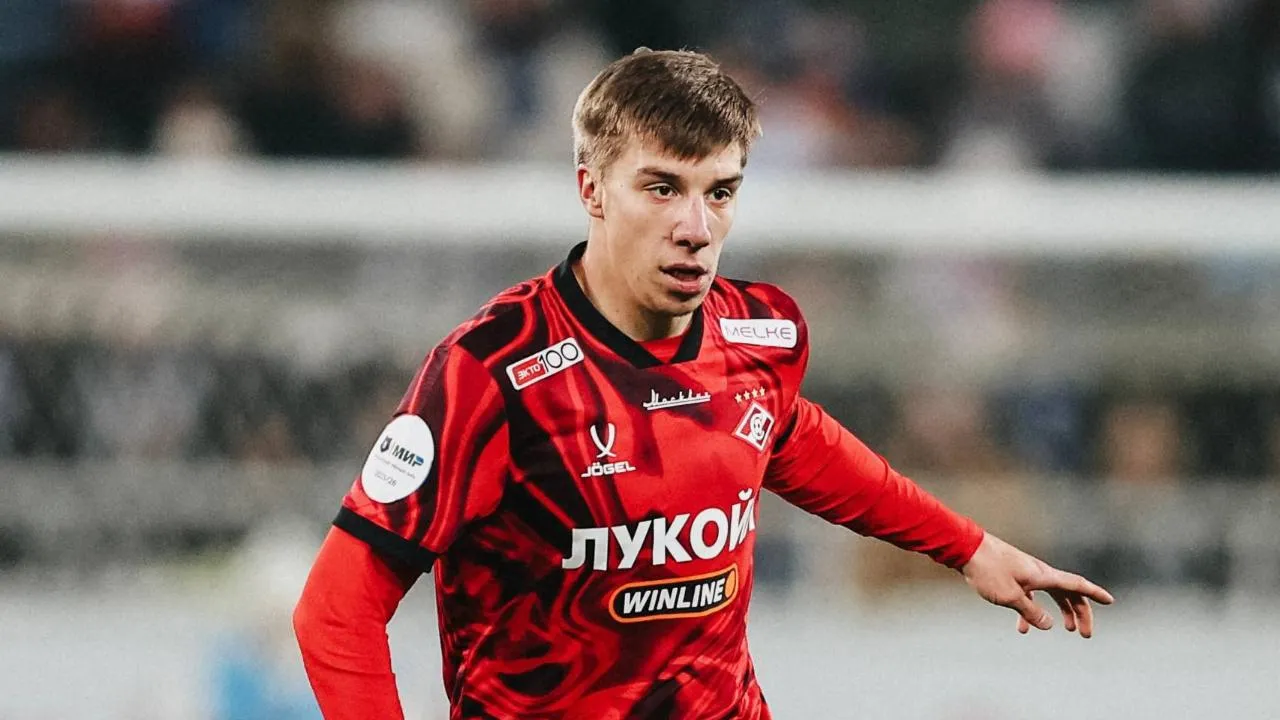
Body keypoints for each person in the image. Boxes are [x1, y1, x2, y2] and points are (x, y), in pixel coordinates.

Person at [292, 48, 1114, 719]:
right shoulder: (494, 372)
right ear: (591, 190)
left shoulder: (763, 333)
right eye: (662, 188)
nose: (696, 227)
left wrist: (966, 546)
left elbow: (790, 437)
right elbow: (335, 610)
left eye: (719, 192)